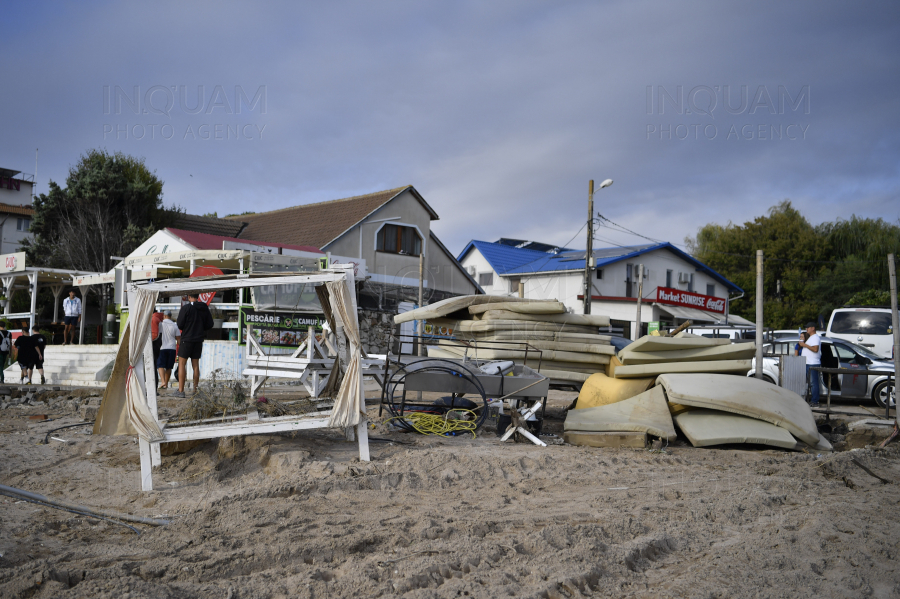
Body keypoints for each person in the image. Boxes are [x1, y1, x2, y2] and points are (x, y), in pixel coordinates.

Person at [174, 293, 213, 398]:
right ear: (198, 296)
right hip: (198, 340)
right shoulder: (204, 308)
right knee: (195, 365)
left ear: (189, 297)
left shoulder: (186, 308)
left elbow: (180, 324)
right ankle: (195, 390)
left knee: (182, 363)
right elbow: (210, 324)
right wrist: (201, 328)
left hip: (186, 339)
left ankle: (181, 391)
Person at [798, 321, 821, 406]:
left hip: (812, 363)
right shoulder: (811, 337)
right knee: (811, 383)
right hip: (808, 363)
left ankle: (815, 401)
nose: (806, 329)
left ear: (813, 328)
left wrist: (804, 345)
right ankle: (813, 400)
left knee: (813, 383)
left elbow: (815, 349)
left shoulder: (815, 337)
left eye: (808, 327)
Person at [156, 312, 180, 392]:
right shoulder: (175, 325)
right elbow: (178, 338)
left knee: (160, 365)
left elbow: (157, 334)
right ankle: (165, 383)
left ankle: (162, 382)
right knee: (169, 367)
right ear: (170, 316)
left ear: (164, 316)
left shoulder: (161, 324)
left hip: (162, 347)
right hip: (172, 348)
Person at [151, 309, 165, 387]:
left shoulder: (153, 319)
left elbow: (154, 335)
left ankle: (153, 388)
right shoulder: (157, 318)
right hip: (157, 345)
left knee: (152, 368)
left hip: (153, 345)